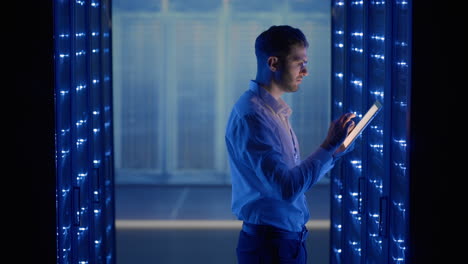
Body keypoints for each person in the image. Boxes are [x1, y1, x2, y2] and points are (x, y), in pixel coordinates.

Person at [225, 25, 356, 264]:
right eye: (299, 62)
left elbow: (294, 180)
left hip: (283, 243)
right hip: (270, 248)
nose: (305, 71)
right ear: (273, 63)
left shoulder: (273, 112)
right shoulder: (253, 117)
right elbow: (287, 189)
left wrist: (334, 153)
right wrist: (327, 146)